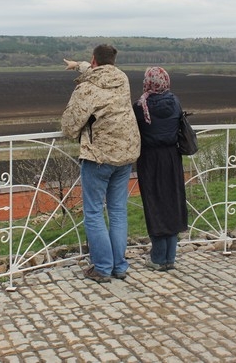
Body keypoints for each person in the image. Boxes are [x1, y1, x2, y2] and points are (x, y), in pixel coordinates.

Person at [61, 44, 141, 283]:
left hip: (99, 157)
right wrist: (78, 66)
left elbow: (69, 126)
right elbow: (99, 72)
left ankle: (103, 268)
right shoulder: (122, 79)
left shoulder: (87, 89)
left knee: (94, 212)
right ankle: (119, 266)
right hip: (126, 154)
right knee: (117, 211)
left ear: (93, 59)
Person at [133, 66, 188, 271]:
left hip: (150, 160)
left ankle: (157, 258)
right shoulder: (175, 102)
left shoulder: (140, 106)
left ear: (148, 82)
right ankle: (169, 257)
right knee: (172, 202)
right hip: (172, 158)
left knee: (154, 204)